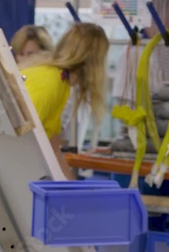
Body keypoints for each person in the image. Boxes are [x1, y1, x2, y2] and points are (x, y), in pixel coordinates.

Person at [20, 23, 109, 179]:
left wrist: (73, 191)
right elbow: (20, 139)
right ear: (94, 62)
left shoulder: (61, 84)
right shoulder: (50, 83)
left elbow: (53, 147)